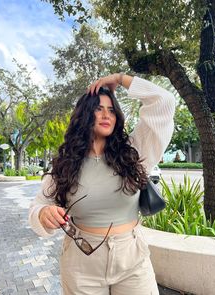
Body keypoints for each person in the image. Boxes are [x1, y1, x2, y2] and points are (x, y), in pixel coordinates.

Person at [29, 73, 175, 295]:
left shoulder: (134, 150)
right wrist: (43, 214)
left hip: (132, 258)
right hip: (81, 261)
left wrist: (120, 78)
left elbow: (164, 102)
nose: (107, 114)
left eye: (111, 109)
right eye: (99, 108)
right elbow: (38, 206)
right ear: (84, 114)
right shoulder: (65, 164)